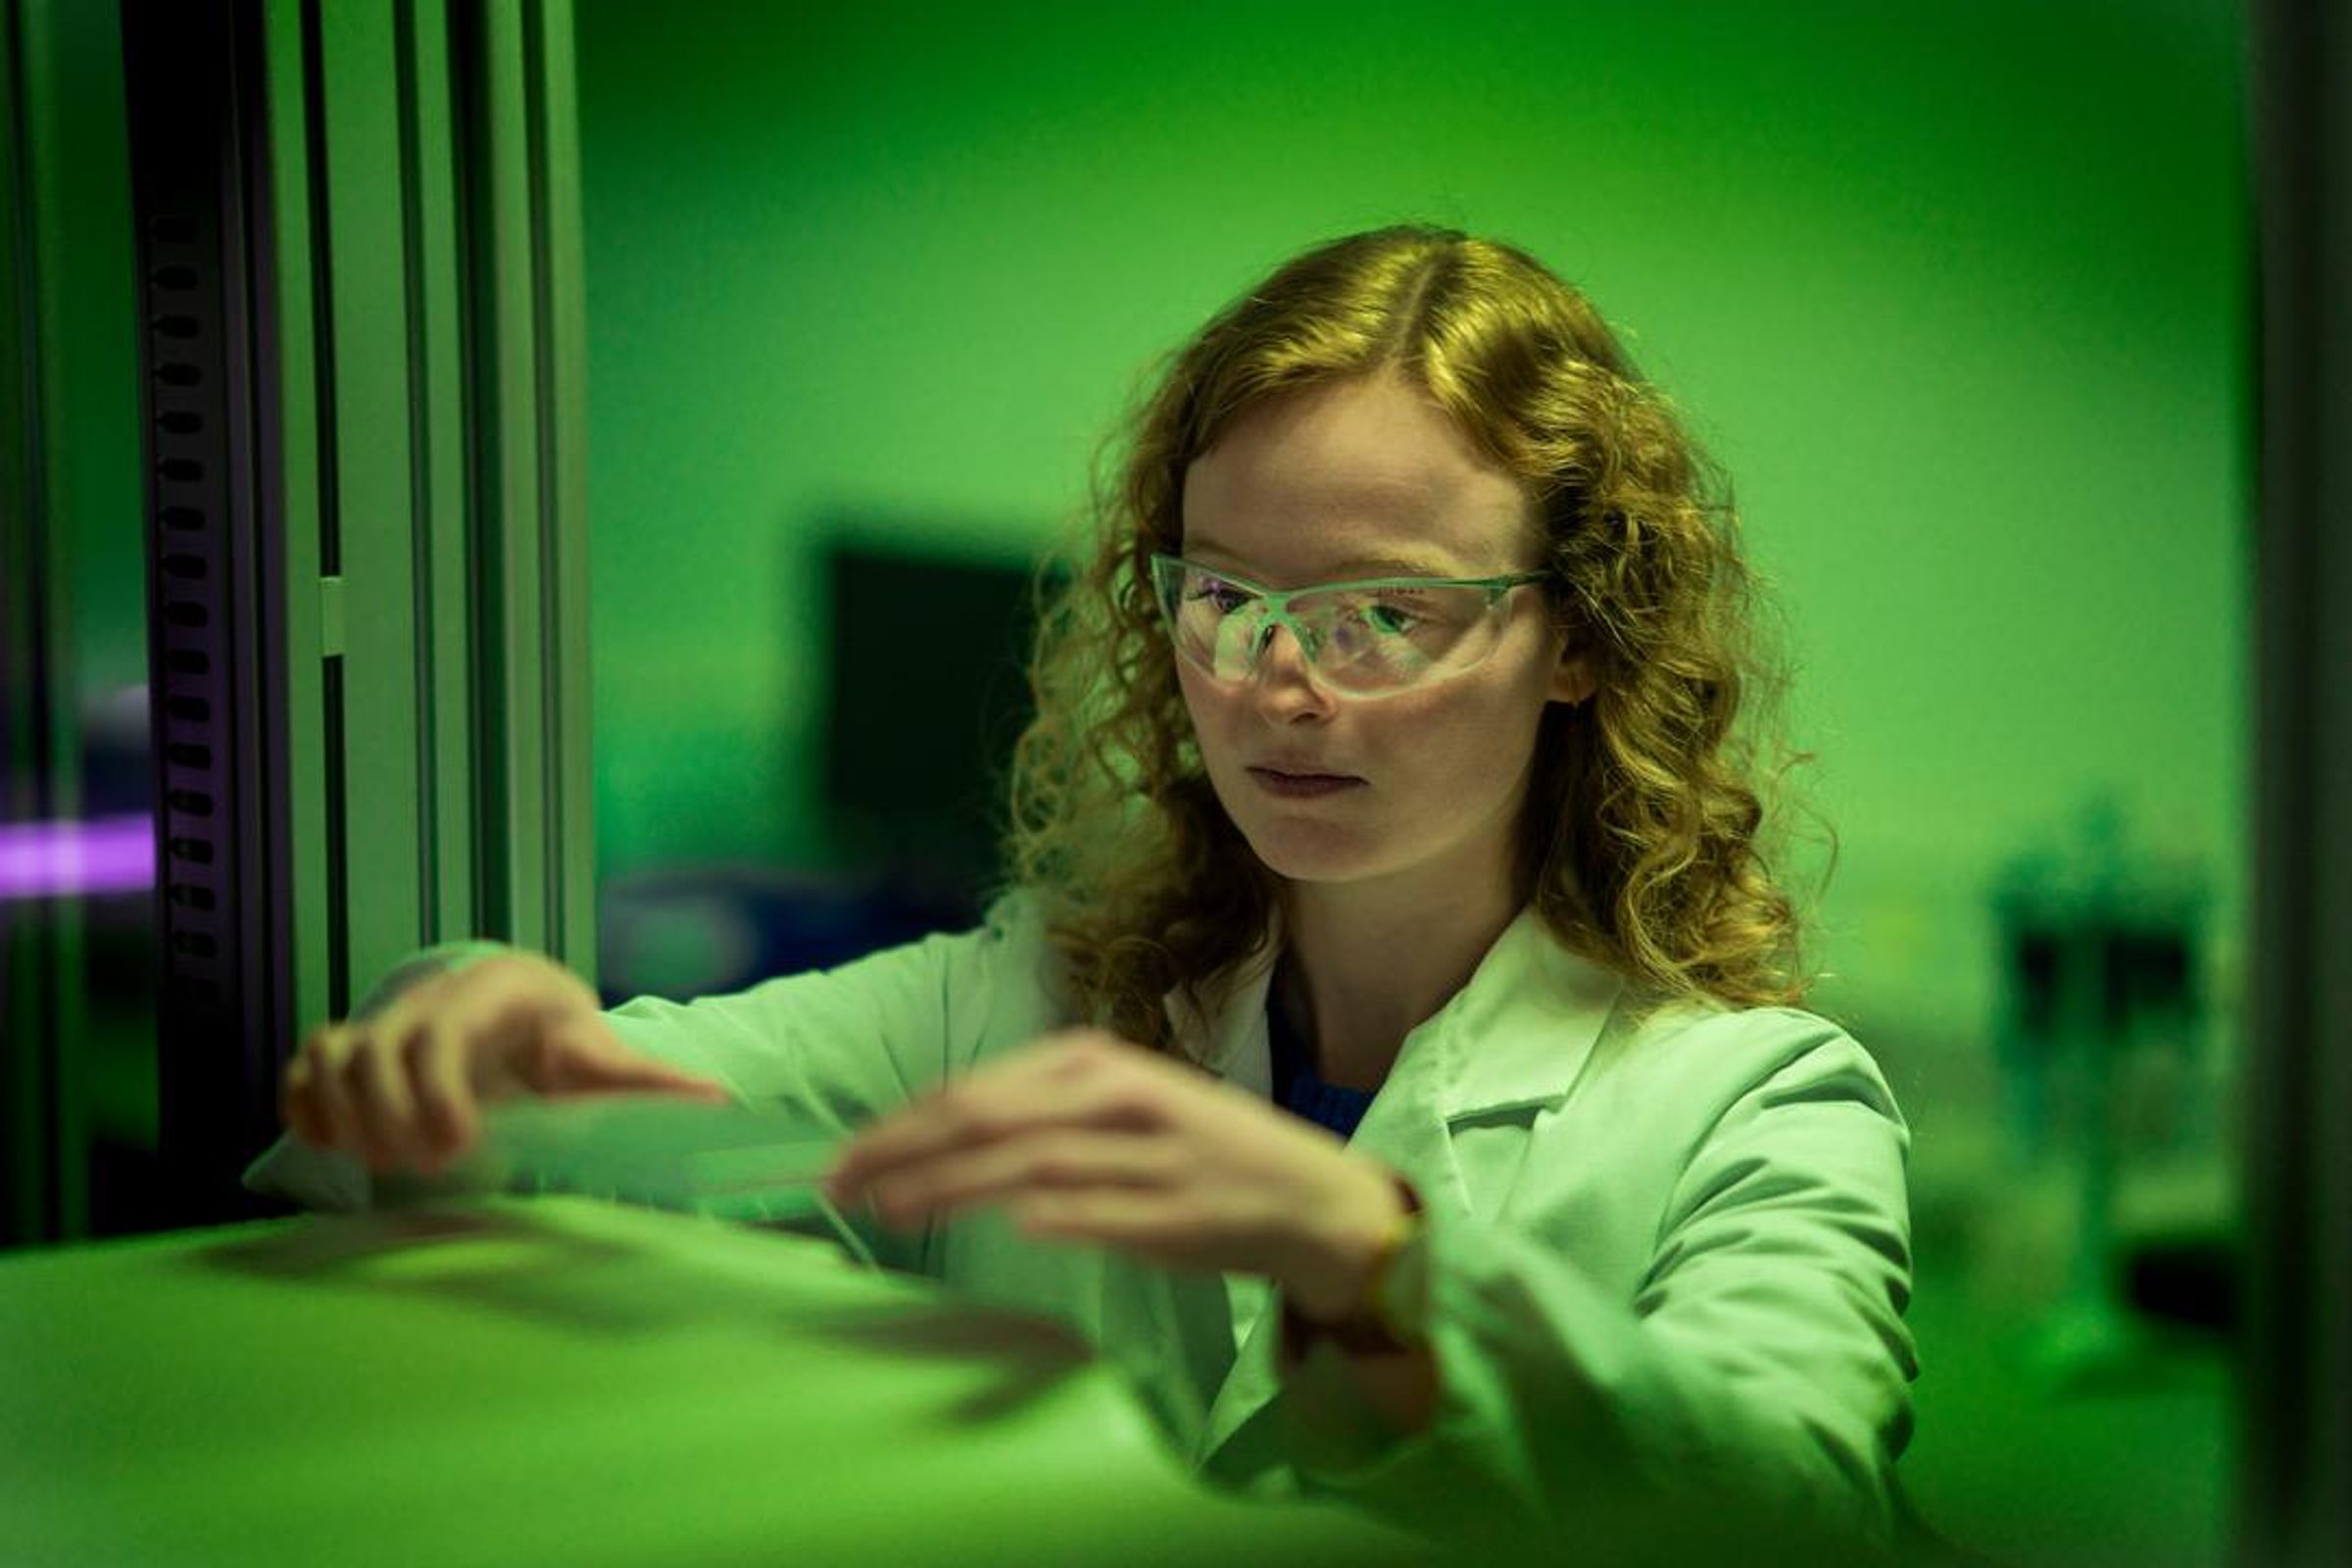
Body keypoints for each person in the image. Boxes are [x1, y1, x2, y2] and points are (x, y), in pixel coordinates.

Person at [252, 224, 1916, 1561]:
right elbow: (566, 1147)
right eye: (1225, 596)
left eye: (1384, 615)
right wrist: (468, 1032)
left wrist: (1383, 1266)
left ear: (1575, 638)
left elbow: (1794, 1510)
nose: (1279, 684)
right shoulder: (1032, 994)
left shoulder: (1753, 1107)